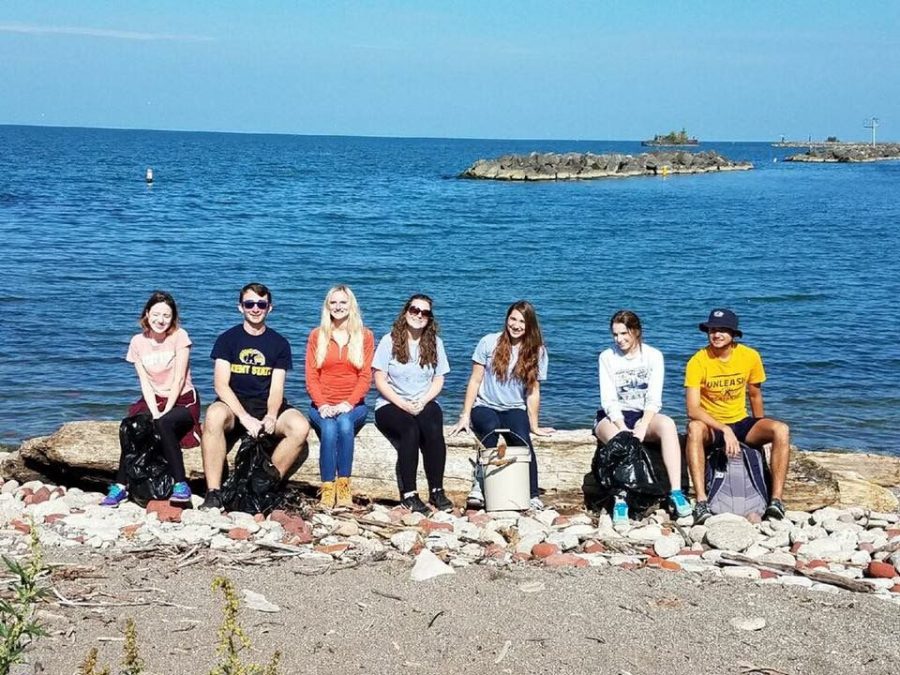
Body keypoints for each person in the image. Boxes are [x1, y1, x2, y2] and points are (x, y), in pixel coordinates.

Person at [200, 283, 310, 510]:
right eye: (249, 304)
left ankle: (263, 484)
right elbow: (220, 385)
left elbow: (276, 388)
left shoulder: (279, 343)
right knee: (213, 415)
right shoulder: (227, 339)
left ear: (270, 308)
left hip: (265, 404)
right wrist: (243, 417)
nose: (255, 309)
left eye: (261, 304)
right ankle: (213, 492)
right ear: (240, 307)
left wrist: (271, 415)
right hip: (234, 405)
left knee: (299, 427)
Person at [684, 308, 791, 524]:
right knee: (694, 428)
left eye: (723, 330)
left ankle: (776, 501)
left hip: (741, 422)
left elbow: (755, 395)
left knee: (781, 429)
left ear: (734, 334)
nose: (716, 334)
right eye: (713, 329)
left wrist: (761, 438)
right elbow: (693, 410)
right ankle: (702, 502)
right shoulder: (698, 360)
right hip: (713, 426)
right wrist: (724, 429)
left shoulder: (749, 356)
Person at [450, 301, 554, 511]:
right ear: (507, 319)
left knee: (523, 440)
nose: (515, 325)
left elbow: (533, 391)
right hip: (485, 405)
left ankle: (532, 494)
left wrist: (534, 424)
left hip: (514, 407)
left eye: (522, 321)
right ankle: (480, 485)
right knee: (489, 429)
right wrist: (465, 415)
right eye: (513, 319)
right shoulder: (489, 342)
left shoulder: (538, 352)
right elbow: (475, 380)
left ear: (530, 325)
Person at [102, 291, 201, 506]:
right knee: (131, 427)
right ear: (147, 314)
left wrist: (163, 413)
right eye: (156, 314)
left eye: (166, 315)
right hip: (153, 398)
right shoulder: (138, 342)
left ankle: (180, 484)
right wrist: (154, 411)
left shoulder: (180, 336)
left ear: (173, 317)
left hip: (183, 399)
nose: (161, 320)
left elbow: (179, 378)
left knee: (164, 423)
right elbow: (144, 382)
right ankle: (120, 486)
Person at [595, 310, 692, 523]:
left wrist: (644, 424)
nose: (619, 339)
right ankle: (621, 499)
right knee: (620, 441)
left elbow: (654, 398)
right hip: (613, 416)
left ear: (636, 331)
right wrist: (621, 426)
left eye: (623, 334)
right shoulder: (607, 357)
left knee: (667, 425)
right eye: (615, 335)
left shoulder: (653, 356)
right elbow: (609, 399)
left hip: (643, 414)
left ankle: (676, 492)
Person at [373, 294, 452, 514]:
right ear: (406, 312)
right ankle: (409, 494)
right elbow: (379, 379)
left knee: (434, 428)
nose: (418, 315)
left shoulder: (435, 343)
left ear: (429, 318)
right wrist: (403, 404)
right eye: (414, 310)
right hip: (390, 403)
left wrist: (424, 400)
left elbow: (439, 378)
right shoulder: (389, 340)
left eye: (424, 313)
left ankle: (437, 490)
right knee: (410, 430)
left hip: (423, 399)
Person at [305, 285, 374, 509]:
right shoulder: (317, 335)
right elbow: (311, 376)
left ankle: (344, 486)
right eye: (333, 303)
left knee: (344, 424)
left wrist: (348, 403)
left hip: (354, 405)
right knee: (328, 428)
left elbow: (365, 377)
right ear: (327, 306)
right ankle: (327, 487)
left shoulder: (364, 336)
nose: (338, 307)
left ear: (351, 305)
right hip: (321, 404)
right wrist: (322, 404)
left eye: (343, 302)